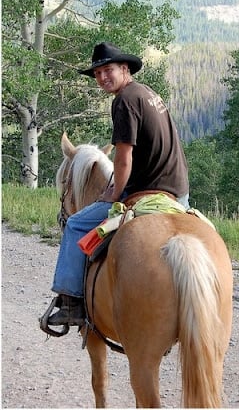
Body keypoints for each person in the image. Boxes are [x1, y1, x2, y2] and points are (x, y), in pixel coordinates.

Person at [46, 42, 190, 326]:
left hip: (148, 187)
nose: (102, 78)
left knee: (75, 223)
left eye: (107, 70)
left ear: (125, 69)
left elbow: (124, 158)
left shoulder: (124, 100)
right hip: (179, 191)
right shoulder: (148, 93)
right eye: (97, 73)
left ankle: (71, 302)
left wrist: (113, 194)